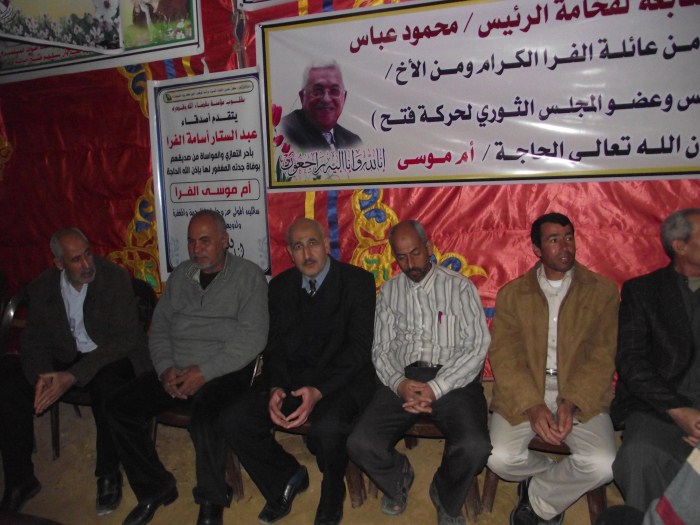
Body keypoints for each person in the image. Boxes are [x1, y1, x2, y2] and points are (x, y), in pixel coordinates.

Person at [106, 210, 269, 525]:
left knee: (206, 417)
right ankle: (155, 488)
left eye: (205, 241)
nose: (197, 249)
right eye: (192, 241)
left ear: (225, 240)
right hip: (177, 369)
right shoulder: (181, 275)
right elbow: (159, 329)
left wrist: (204, 372)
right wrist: (165, 369)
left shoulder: (248, 276)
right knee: (118, 408)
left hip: (223, 370)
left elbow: (252, 339)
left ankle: (211, 500)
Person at [221, 218, 376, 525]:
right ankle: (286, 477)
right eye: (298, 247)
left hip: (340, 381)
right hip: (292, 379)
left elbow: (359, 351)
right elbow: (275, 346)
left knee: (327, 430)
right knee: (234, 419)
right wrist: (277, 387)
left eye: (313, 243)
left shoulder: (357, 282)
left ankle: (332, 488)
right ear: (290, 253)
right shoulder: (280, 287)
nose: (307, 253)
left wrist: (318, 391)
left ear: (327, 245)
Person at [347, 220, 491, 525]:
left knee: (475, 447)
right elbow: (381, 349)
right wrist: (399, 384)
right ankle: (398, 474)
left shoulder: (459, 287)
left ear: (428, 247)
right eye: (401, 257)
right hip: (403, 380)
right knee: (360, 442)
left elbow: (477, 345)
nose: (410, 264)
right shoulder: (389, 292)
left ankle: (444, 492)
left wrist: (436, 388)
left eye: (415, 253)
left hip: (453, 380)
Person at [487, 212, 619, 525]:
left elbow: (602, 356)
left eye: (569, 237)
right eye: (554, 240)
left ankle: (538, 497)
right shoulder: (513, 294)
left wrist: (570, 403)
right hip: (525, 391)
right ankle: (553, 476)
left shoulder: (601, 291)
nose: (565, 246)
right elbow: (505, 355)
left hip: (580, 393)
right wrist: (533, 406)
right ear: (537, 249)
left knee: (604, 464)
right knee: (497, 458)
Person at [16, 228, 151, 515]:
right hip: (67, 354)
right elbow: (33, 341)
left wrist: (74, 375)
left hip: (110, 354)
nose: (87, 264)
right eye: (76, 259)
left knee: (107, 385)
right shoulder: (43, 287)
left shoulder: (113, 278)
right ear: (59, 263)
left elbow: (125, 339)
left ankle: (108, 472)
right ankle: (19, 479)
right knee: (8, 376)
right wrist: (44, 376)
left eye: (88, 253)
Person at [611, 208, 700, 512]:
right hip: (660, 408)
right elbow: (631, 362)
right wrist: (678, 410)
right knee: (639, 455)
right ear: (680, 246)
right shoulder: (644, 291)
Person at [280, 61, 362, 152]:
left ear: (344, 97)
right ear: (302, 97)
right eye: (317, 91)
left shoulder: (353, 141)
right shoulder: (285, 132)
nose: (326, 99)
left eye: (334, 91)